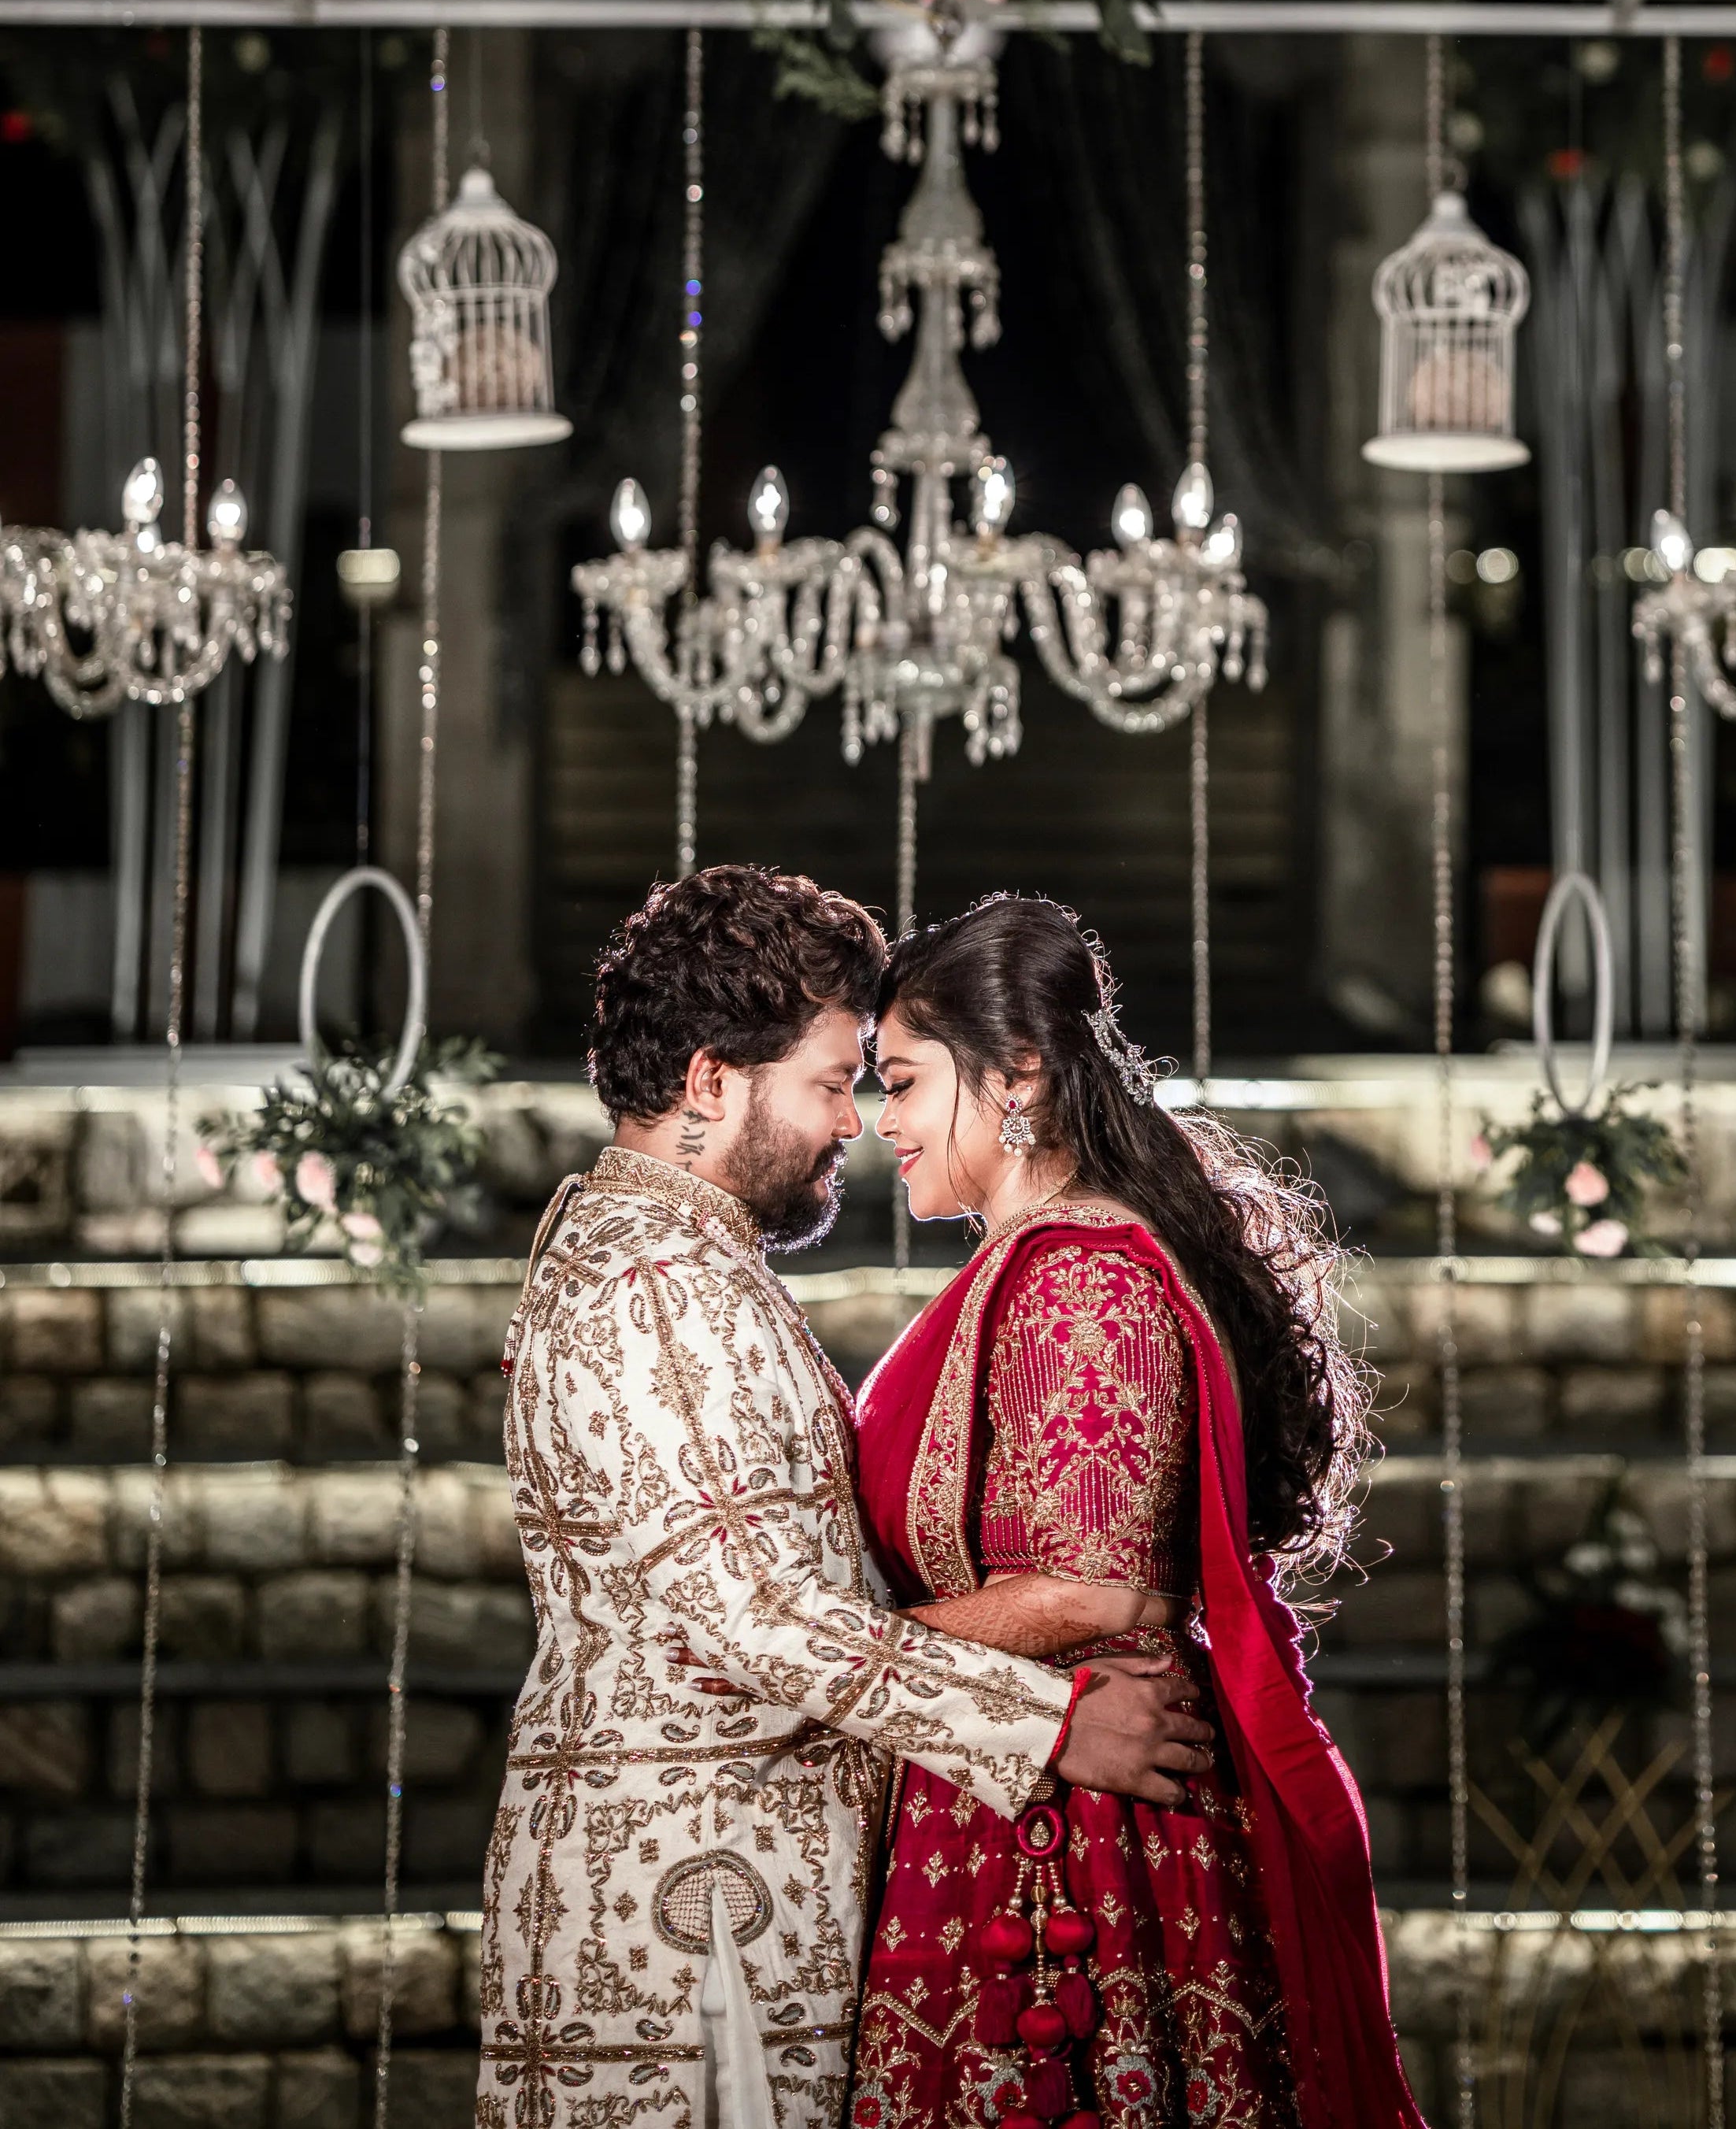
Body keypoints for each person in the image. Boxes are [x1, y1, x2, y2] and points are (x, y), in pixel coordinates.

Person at [477, 865, 1210, 2129]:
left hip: (717, 1880)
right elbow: (757, 1619)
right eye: (827, 1080)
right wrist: (1049, 1721)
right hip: (690, 1913)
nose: (851, 1121)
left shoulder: (672, 1255)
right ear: (713, 1082)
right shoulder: (653, 1278)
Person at [847, 889, 1425, 2129]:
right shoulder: (1039, 1259)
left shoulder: (1084, 1277)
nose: (879, 1121)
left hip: (1078, 1823)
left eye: (900, 1081)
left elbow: (1098, 1588)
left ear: (1013, 1078)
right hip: (1022, 1769)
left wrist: (827, 1658)